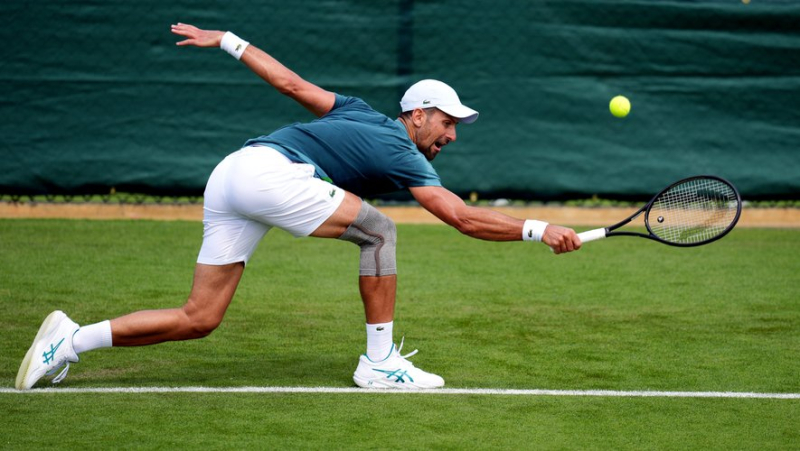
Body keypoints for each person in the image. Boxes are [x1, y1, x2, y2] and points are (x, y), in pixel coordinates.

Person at [16, 23, 581, 391]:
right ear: (418, 114)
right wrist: (538, 228)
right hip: (269, 175)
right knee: (379, 230)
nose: (453, 134)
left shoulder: (356, 110)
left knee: (200, 318)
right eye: (447, 121)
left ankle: (69, 339)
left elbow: (289, 84)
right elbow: (460, 217)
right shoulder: (398, 145)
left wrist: (230, 40)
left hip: (232, 173)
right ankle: (379, 363)